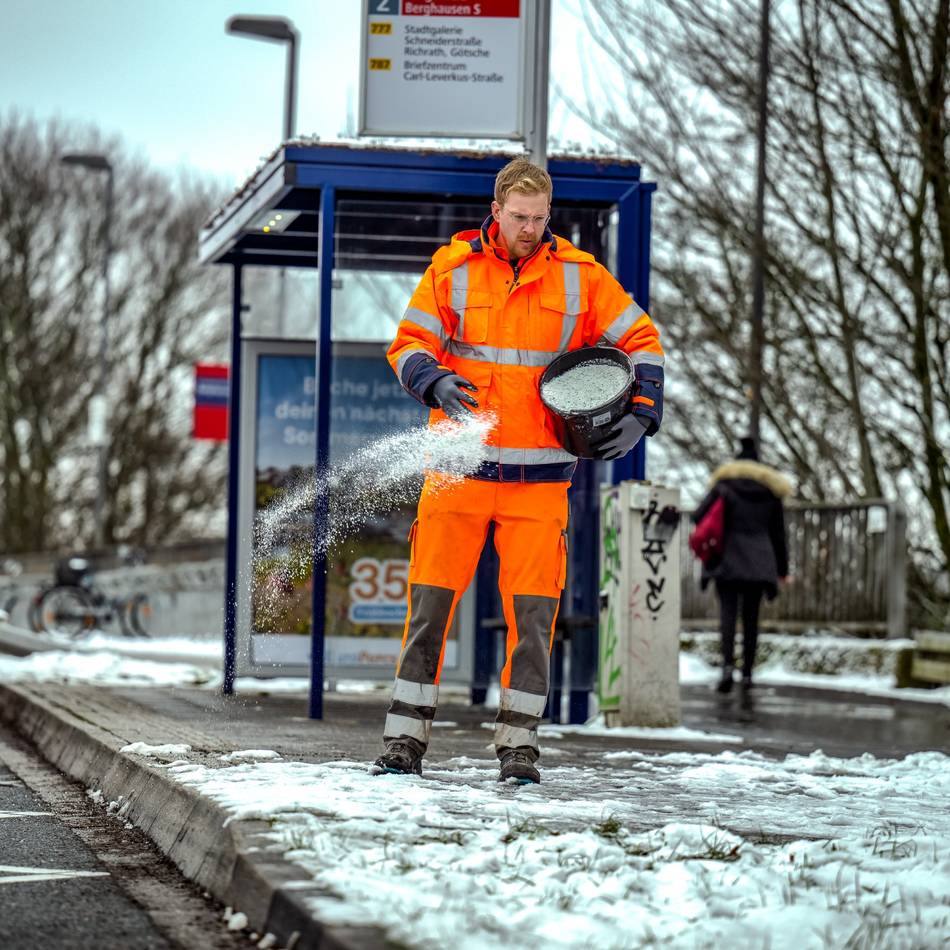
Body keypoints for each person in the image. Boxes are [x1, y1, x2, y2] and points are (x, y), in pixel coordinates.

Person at [374, 157, 665, 784]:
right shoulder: (451, 270)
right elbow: (408, 344)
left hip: (540, 484)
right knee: (430, 607)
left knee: (533, 618)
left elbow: (642, 339)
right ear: (497, 209)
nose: (530, 229)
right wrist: (436, 381)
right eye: (520, 217)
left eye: (540, 218)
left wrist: (644, 408)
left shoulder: (581, 279)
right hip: (457, 472)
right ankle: (403, 741)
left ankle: (519, 747)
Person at [692, 437, 791, 693]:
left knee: (727, 615)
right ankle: (747, 673)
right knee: (751, 618)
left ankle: (726, 667)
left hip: (728, 558)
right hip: (760, 561)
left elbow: (698, 515)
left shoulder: (724, 486)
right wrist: (782, 570)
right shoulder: (770, 492)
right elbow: (778, 534)